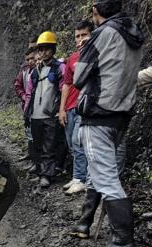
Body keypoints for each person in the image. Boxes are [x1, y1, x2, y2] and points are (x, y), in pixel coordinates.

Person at [72, 0, 144, 247]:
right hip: (122, 113)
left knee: (105, 176)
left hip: (99, 113)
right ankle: (87, 223)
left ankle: (123, 239)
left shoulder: (102, 33)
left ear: (95, 12)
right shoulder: (133, 33)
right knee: (105, 171)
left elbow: (79, 77)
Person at [24, 31, 66, 188]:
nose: (44, 52)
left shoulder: (59, 68)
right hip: (36, 114)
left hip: (51, 114)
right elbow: (29, 93)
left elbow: (64, 89)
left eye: (47, 48)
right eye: (41, 49)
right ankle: (41, 172)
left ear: (53, 49)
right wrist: (27, 113)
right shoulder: (35, 71)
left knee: (49, 146)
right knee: (38, 146)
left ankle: (47, 175)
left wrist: (60, 110)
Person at [58, 20, 94, 196]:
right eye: (77, 36)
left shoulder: (96, 54)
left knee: (79, 141)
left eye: (84, 35)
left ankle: (83, 180)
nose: (80, 39)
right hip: (71, 106)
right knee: (73, 144)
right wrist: (62, 108)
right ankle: (78, 175)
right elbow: (66, 84)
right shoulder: (72, 58)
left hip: (85, 105)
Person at [14, 47, 37, 166]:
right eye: (27, 59)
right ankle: (31, 156)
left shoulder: (40, 69)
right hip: (27, 107)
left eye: (32, 58)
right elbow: (17, 85)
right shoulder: (24, 71)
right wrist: (23, 95)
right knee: (29, 132)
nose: (30, 61)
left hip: (39, 108)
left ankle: (36, 161)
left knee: (36, 135)